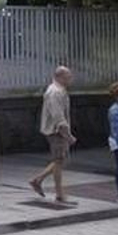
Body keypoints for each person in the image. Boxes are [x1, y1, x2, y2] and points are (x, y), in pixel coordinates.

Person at [28, 65, 76, 204]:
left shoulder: (58, 90)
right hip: (56, 131)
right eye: (68, 77)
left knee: (60, 160)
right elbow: (58, 116)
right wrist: (68, 135)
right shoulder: (55, 92)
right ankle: (59, 194)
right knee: (59, 161)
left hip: (57, 130)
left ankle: (38, 180)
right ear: (60, 77)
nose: (70, 79)